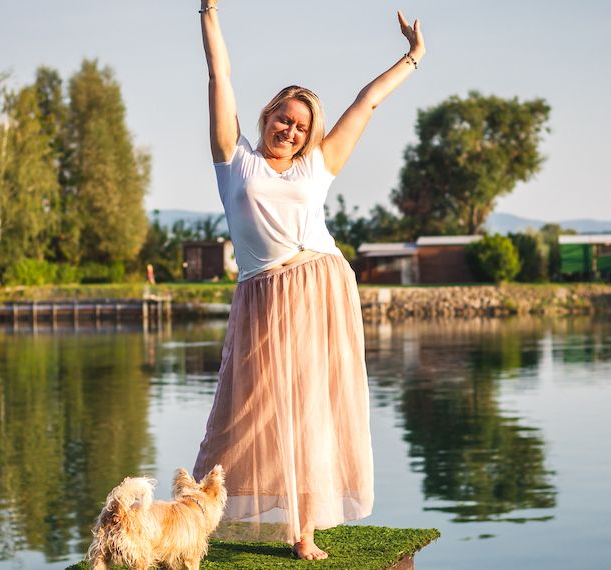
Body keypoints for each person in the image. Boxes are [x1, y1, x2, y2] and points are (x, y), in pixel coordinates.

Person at [191, 0, 425, 561]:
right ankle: (199, 512)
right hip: (262, 294)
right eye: (283, 119)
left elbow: (365, 103)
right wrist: (208, 11)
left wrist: (413, 57)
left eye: (301, 126)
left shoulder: (314, 167)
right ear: (268, 114)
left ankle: (305, 533)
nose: (291, 131)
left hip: (320, 288)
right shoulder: (234, 160)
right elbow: (218, 72)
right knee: (243, 408)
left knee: (310, 411)